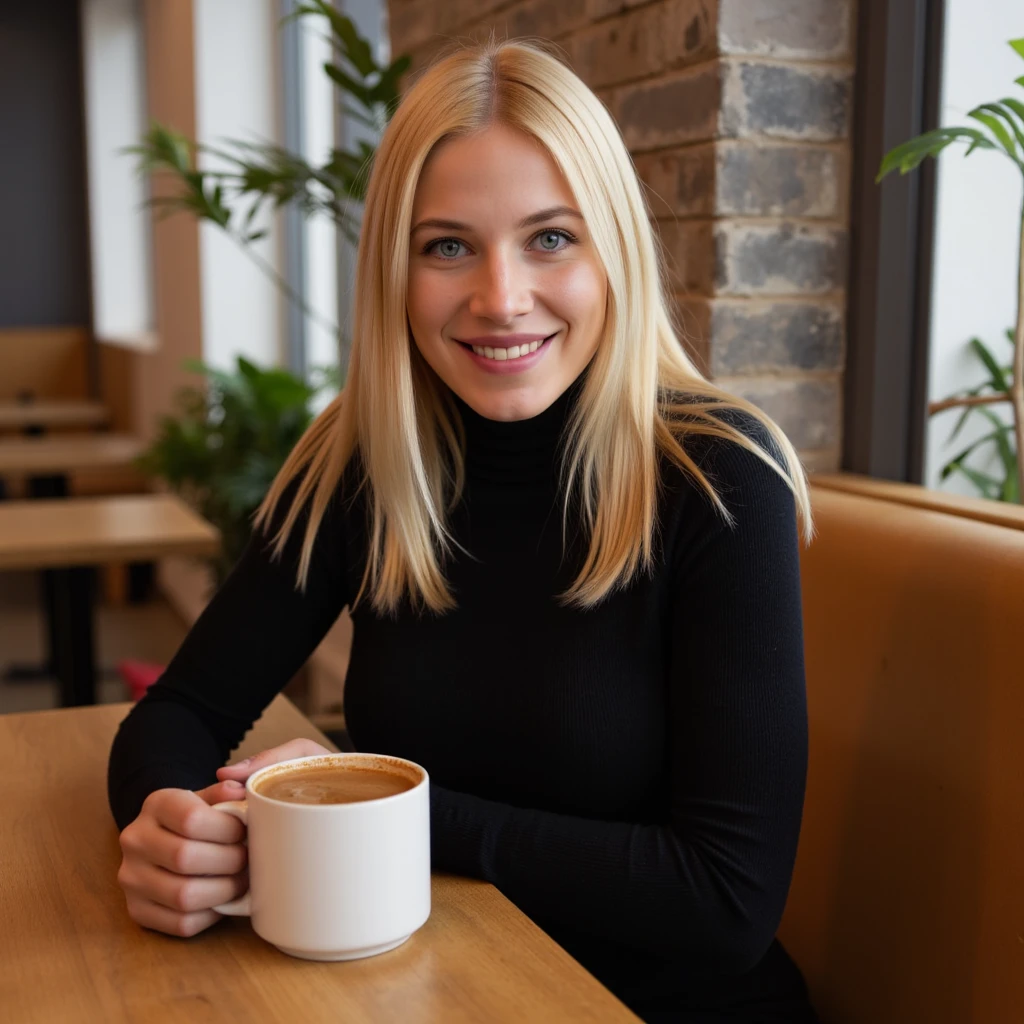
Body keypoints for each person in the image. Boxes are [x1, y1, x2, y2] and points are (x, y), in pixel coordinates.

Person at [109, 39, 818, 1023]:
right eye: (447, 245)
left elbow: (726, 903)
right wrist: (167, 823)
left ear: (612, 250)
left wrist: (378, 815)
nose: (499, 296)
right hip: (439, 986)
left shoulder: (719, 478)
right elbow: (179, 711)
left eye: (550, 238)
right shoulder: (363, 462)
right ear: (394, 272)